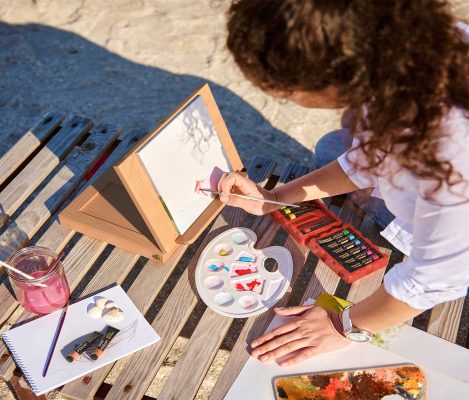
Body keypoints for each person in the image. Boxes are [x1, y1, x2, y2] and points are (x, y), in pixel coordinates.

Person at [219, 0, 469, 367]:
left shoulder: (449, 160)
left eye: (285, 93)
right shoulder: (406, 52)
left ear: (340, 77)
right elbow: (364, 159)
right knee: (333, 148)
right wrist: (275, 198)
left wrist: (344, 325)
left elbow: (433, 279)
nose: (283, 98)